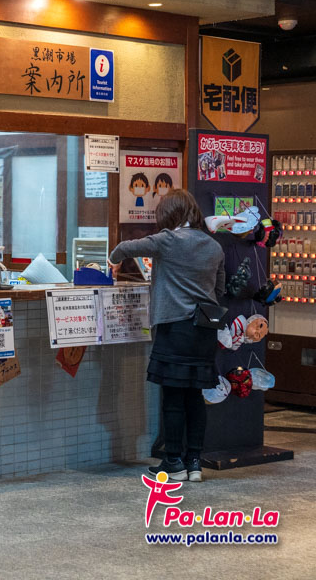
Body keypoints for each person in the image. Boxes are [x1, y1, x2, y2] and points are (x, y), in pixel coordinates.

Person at [108, 189, 225, 483]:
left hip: (174, 328)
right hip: (204, 331)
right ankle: (195, 462)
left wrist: (113, 261)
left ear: (168, 214)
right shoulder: (214, 247)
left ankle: (173, 462)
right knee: (195, 397)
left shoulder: (168, 241)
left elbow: (124, 247)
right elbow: (219, 291)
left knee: (173, 397)